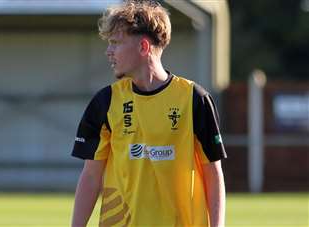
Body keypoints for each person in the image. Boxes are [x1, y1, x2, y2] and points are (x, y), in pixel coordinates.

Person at [71, 1, 227, 226]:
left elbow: (213, 173)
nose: (108, 51)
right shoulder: (105, 102)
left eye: (115, 43)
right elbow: (91, 176)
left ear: (143, 47)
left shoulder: (194, 99)